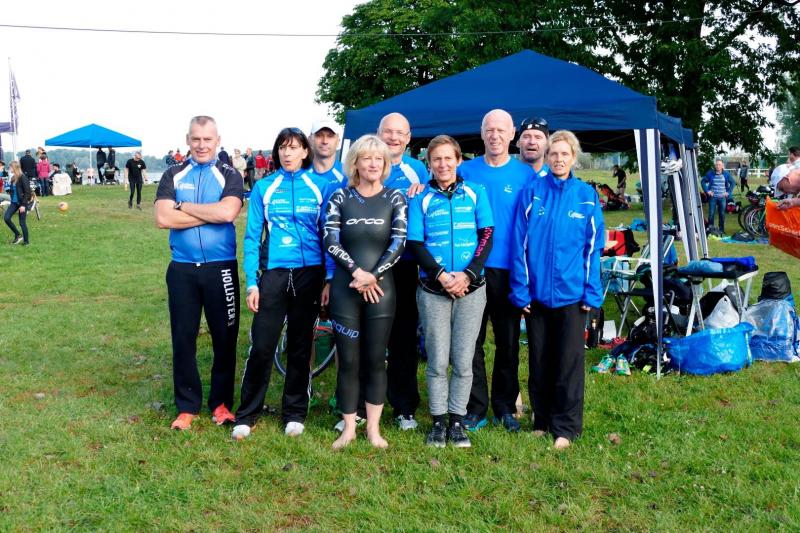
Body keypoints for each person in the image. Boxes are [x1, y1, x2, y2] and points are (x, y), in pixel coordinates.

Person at [232, 127, 333, 440]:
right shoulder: (264, 187)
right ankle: (247, 414)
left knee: (301, 346)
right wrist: (252, 284)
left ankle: (295, 413)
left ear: (305, 152)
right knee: (262, 345)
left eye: (294, 147)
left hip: (310, 273)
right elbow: (252, 237)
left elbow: (329, 235)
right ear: (277, 152)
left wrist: (329, 278)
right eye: (282, 148)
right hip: (274, 274)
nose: (287, 153)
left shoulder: (320, 185)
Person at [510, 130, 604, 450]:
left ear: (573, 158)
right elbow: (519, 244)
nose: (559, 159)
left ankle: (566, 427)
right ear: (547, 157)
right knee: (539, 360)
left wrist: (591, 292)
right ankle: (541, 420)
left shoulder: (586, 196)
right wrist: (521, 290)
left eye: (565, 154)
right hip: (536, 296)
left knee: (568, 363)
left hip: (572, 296)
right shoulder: (532, 192)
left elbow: (593, 249)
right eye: (554, 154)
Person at [154, 115, 244, 431]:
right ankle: (187, 406)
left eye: (207, 139)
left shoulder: (230, 174)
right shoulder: (173, 174)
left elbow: (228, 212)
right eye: (196, 139)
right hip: (182, 269)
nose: (202, 145)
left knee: (225, 338)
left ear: (217, 140)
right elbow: (163, 219)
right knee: (183, 338)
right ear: (187, 140)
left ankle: (221, 404)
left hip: (221, 267)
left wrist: (182, 206)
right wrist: (209, 213)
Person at [408, 135, 494, 448]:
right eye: (437, 159)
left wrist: (468, 274)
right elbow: (415, 242)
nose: (443, 164)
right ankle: (438, 422)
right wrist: (441, 275)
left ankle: (457, 422)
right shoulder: (420, 197)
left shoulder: (475, 192)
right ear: (429, 164)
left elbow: (487, 235)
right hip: (434, 289)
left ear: (458, 160)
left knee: (463, 359)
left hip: (471, 288)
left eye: (448, 158)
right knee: (437, 359)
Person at [323, 135, 407, 449]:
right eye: (366, 158)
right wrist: (358, 273)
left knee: (374, 360)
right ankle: (348, 428)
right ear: (355, 163)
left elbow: (399, 242)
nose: (373, 164)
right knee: (348, 360)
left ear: (385, 164)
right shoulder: (340, 197)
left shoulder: (395, 197)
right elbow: (330, 240)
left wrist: (373, 276)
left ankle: (373, 429)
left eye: (379, 159)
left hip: (381, 291)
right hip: (347, 289)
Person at [458, 109, 535, 433]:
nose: (495, 135)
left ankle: (505, 407)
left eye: (501, 130)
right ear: (482, 133)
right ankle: (475, 408)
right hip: (471, 269)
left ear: (512, 134)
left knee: (508, 343)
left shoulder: (526, 175)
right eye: (490, 129)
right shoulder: (465, 171)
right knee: (470, 342)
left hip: (508, 270)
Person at [373, 112, 429, 431]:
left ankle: (404, 407)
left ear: (408, 138)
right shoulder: (366, 163)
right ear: (378, 133)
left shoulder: (416, 169)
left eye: (400, 133)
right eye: (388, 132)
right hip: (368, 265)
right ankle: (362, 404)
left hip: (404, 264)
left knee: (404, 336)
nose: (393, 138)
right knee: (369, 336)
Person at [701, 159, 735, 234]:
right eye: (716, 165)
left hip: (722, 198)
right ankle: (710, 230)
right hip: (713, 197)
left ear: (722, 166)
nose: (718, 166)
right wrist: (707, 191)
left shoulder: (726, 174)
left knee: (722, 214)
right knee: (711, 214)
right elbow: (703, 181)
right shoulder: (710, 173)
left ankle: (721, 230)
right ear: (715, 166)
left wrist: (728, 192)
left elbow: (733, 182)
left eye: (719, 165)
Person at [309, 119, 346, 186]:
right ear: (310, 140)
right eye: (319, 135)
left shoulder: (349, 174)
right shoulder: (298, 174)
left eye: (330, 136)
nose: (325, 141)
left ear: (338, 142)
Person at [4, 161, 31, 246]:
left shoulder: (23, 177)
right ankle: (18, 235)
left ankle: (26, 242)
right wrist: (9, 190)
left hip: (22, 203)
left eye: (10, 167)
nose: (9, 169)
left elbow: (27, 192)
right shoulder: (13, 177)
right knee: (6, 218)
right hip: (14, 203)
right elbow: (13, 190)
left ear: (15, 167)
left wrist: (23, 205)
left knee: (22, 223)